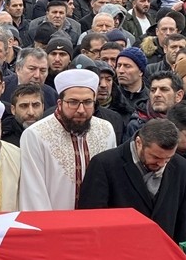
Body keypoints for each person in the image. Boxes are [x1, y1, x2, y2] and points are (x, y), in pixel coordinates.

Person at [78, 118, 186, 242]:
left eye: (168, 158)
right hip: (119, 250)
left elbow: (183, 218)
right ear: (139, 143)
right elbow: (92, 220)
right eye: (155, 157)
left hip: (161, 251)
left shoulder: (181, 166)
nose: (162, 163)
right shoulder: (105, 164)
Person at [19, 69, 115, 211]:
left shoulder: (105, 130)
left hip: (97, 224)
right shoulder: (35, 135)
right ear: (59, 103)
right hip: (54, 226)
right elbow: (34, 194)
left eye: (88, 102)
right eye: (73, 102)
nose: (81, 110)